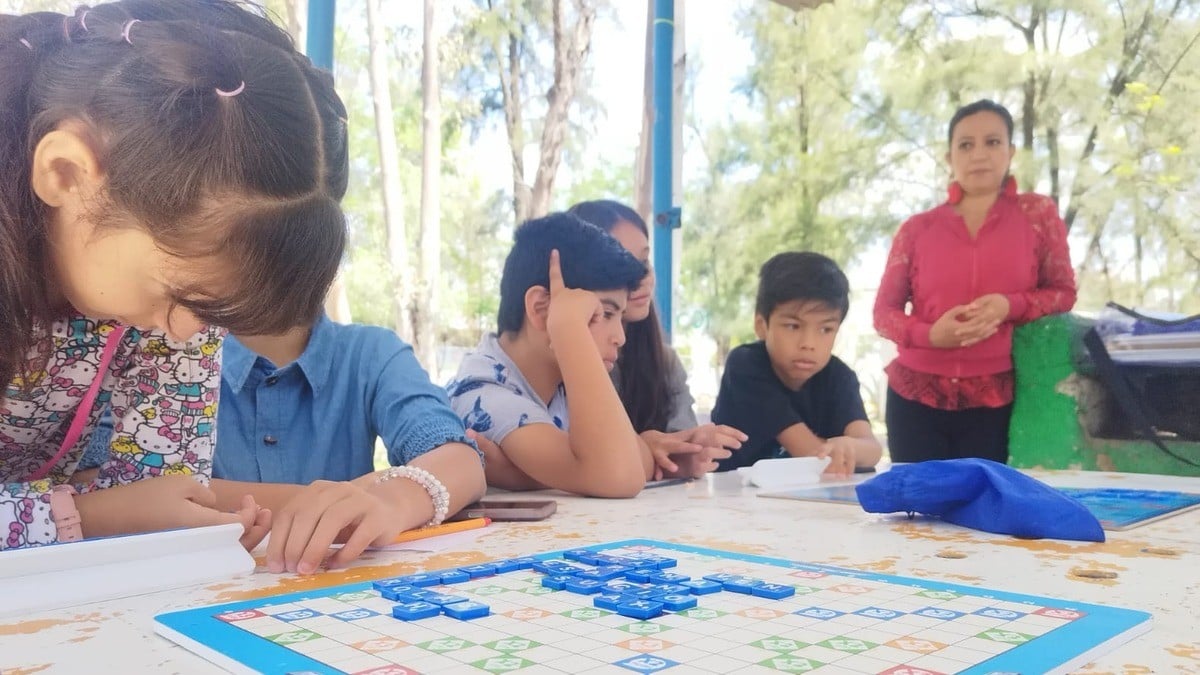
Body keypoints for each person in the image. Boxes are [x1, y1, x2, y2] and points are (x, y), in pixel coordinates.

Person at [0, 1, 348, 550]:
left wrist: (178, 521)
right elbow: (117, 511)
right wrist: (89, 516)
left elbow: (156, 486)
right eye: (180, 297)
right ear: (66, 173)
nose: (188, 332)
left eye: (213, 310)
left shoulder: (175, 291)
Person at [79, 315, 487, 574]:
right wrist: (342, 501)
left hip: (332, 597)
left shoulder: (372, 352)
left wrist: (390, 501)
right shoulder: (157, 337)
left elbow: (459, 460)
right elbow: (108, 490)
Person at [873, 99, 1077, 463]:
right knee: (915, 514)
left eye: (992, 142)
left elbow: (1063, 293)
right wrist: (929, 335)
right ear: (950, 157)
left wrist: (1009, 305)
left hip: (991, 399)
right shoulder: (918, 229)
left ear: (1011, 152)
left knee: (980, 514)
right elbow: (883, 313)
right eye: (965, 145)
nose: (978, 154)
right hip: (913, 397)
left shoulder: (1037, 215)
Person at [447, 213, 708, 497]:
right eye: (604, 314)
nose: (620, 336)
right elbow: (621, 475)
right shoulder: (482, 393)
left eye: (620, 317)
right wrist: (568, 328)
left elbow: (633, 462)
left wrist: (523, 475)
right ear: (540, 308)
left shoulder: (560, 386)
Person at [567, 200, 745, 478]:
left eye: (644, 261)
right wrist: (642, 448)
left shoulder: (665, 361)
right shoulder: (562, 361)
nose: (642, 278)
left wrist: (691, 450)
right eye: (622, 263)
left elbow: (681, 446)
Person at [712, 252, 883, 476]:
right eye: (793, 326)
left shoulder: (839, 376)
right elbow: (810, 452)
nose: (808, 344)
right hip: (735, 500)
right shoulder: (746, 366)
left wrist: (850, 447)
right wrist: (842, 452)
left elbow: (872, 450)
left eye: (825, 329)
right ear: (761, 325)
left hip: (808, 502)